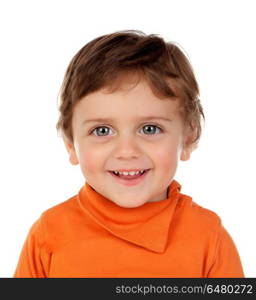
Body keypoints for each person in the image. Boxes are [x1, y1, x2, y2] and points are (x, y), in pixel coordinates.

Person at [14, 30, 244, 277]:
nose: (127, 151)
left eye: (150, 128)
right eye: (102, 130)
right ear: (71, 143)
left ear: (189, 136)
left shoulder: (209, 238)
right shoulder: (48, 235)